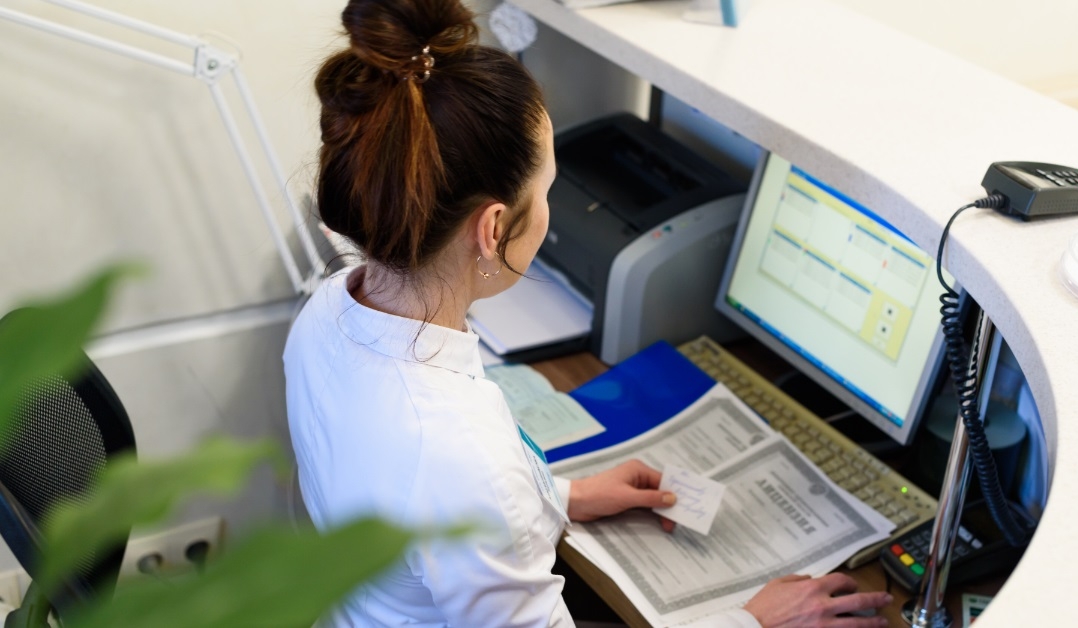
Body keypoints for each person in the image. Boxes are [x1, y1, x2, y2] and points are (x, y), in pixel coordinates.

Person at [284, 0, 893, 626]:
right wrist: (754, 621)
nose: (548, 209)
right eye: (545, 189)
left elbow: (419, 504)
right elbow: (458, 485)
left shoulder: (328, 312)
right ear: (493, 229)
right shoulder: (460, 454)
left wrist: (561, 496)